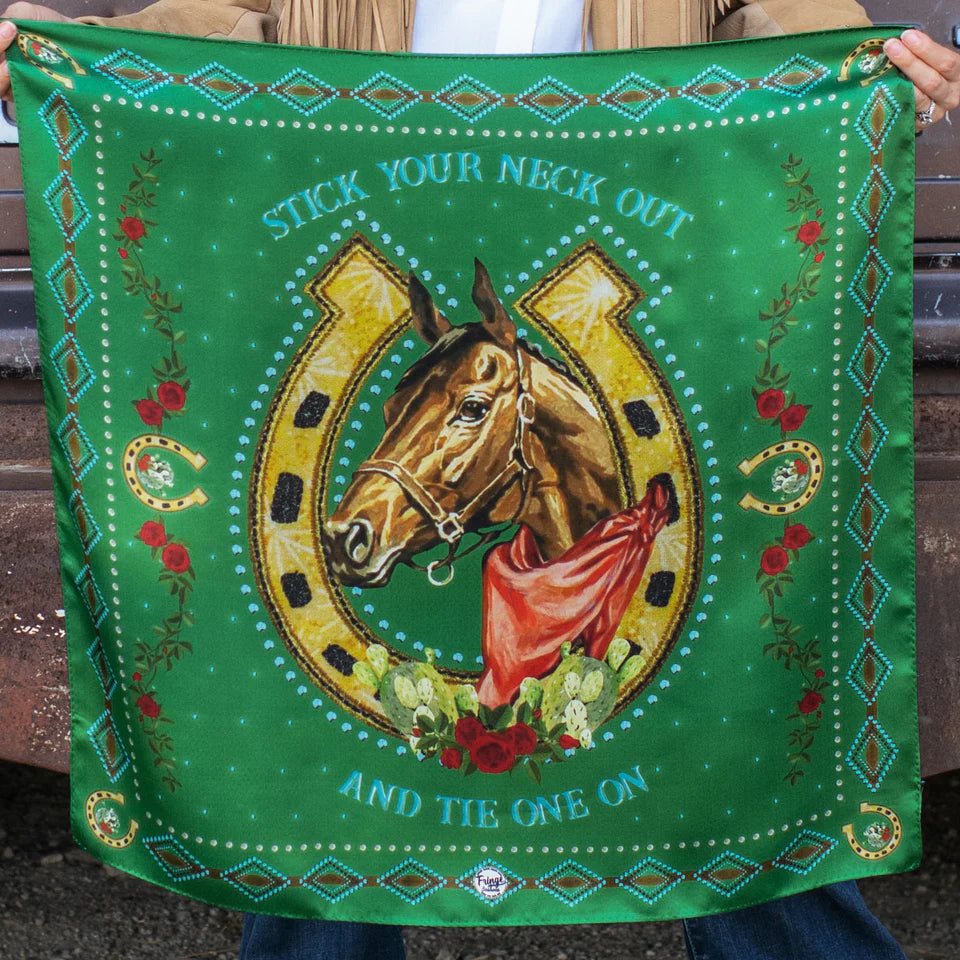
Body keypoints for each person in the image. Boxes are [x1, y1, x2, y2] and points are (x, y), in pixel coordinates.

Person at [1, 2, 957, 959]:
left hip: (645, 230)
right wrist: (73, 60)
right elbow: (230, 18)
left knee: (716, 706)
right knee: (322, 766)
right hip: (365, 202)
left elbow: (772, 13)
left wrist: (871, 72)